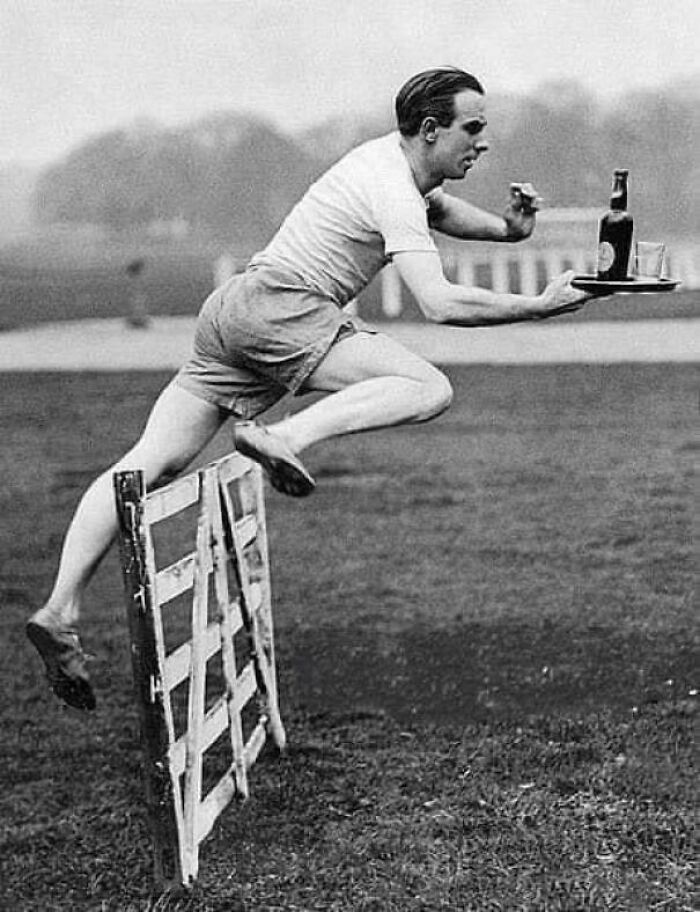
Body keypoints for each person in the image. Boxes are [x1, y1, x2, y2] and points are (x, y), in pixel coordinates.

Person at [26, 66, 588, 710]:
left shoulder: (389, 163)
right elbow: (439, 304)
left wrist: (510, 231)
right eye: (474, 129)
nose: (483, 143)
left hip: (235, 306)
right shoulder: (393, 190)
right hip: (285, 309)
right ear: (431, 129)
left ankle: (59, 609)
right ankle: (282, 436)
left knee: (146, 465)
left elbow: (439, 208)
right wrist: (538, 306)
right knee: (428, 387)